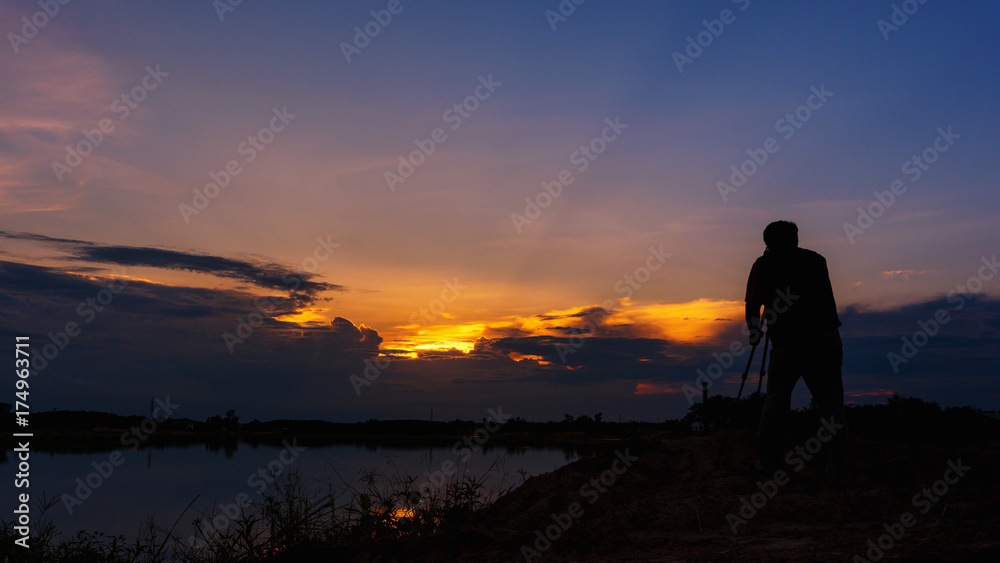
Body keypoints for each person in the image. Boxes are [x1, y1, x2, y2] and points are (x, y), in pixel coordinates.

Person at [744, 220, 849, 485]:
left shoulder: (763, 264)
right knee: (831, 405)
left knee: (777, 400)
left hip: (789, 343)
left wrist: (755, 331)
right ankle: (838, 470)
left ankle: (769, 463)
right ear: (796, 238)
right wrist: (835, 339)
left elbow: (753, 304)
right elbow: (828, 302)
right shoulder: (816, 261)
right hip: (824, 340)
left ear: (768, 242)